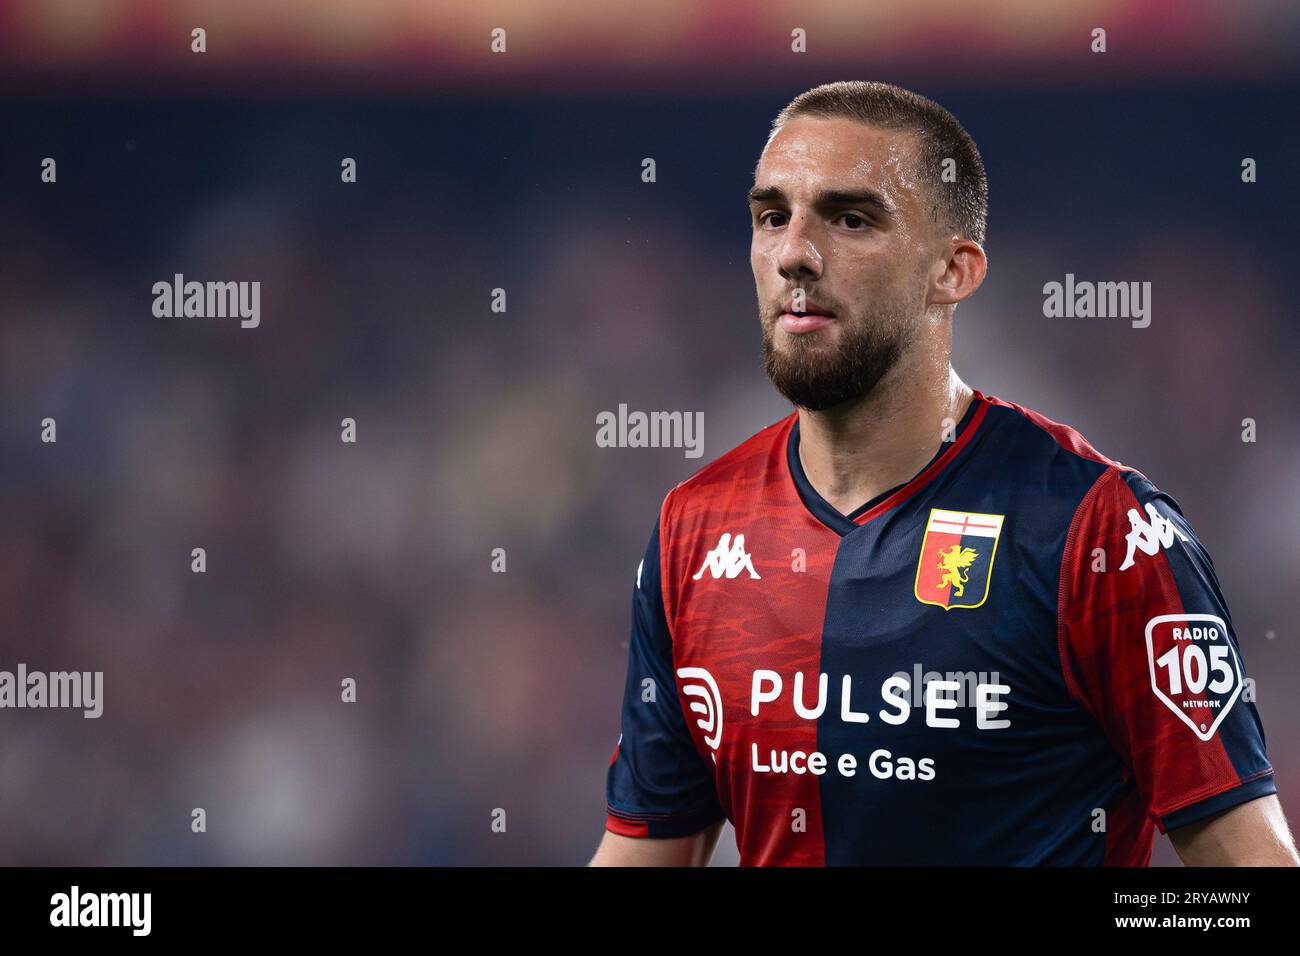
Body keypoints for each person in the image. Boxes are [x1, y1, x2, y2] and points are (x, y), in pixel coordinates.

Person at [589, 81, 1297, 866]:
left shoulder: (1101, 532)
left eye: (851, 219)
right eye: (771, 217)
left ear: (954, 272)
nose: (794, 252)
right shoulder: (695, 528)